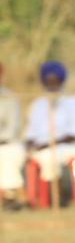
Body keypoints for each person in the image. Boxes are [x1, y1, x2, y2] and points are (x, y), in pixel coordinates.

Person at [24, 61, 75, 196]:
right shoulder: (37, 104)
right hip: (40, 148)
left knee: (50, 156)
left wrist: (49, 144)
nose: (51, 84)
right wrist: (30, 147)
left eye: (55, 80)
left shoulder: (74, 101)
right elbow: (30, 134)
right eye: (48, 80)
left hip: (68, 147)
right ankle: (33, 195)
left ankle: (56, 193)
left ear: (61, 80)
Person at [0, 61, 24, 210]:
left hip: (7, 143)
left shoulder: (9, 97)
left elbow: (13, 128)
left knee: (5, 154)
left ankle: (20, 197)